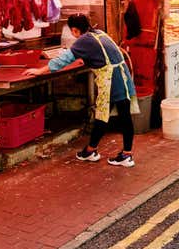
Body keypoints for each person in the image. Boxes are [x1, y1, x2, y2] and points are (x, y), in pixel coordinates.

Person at [25, 14, 138, 166]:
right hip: (122, 76)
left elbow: (62, 61)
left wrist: (40, 71)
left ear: (75, 30)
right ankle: (115, 152)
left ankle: (97, 152)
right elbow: (103, 52)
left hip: (111, 80)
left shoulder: (83, 41)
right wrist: (84, 58)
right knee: (122, 116)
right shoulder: (99, 33)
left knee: (103, 116)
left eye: (72, 31)